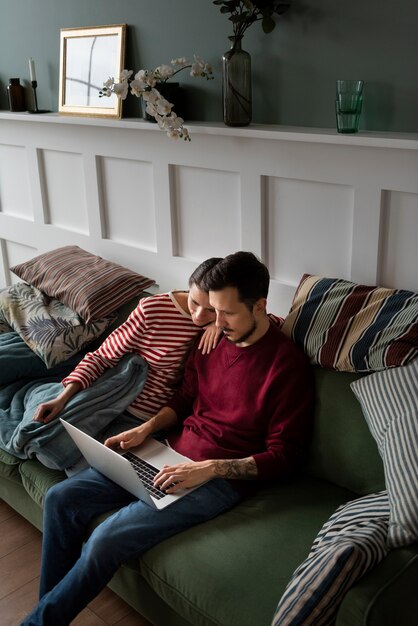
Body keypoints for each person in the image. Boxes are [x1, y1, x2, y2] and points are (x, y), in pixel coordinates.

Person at [21, 251, 315, 626]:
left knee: (105, 540)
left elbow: (286, 455)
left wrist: (209, 469)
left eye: (227, 313)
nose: (215, 322)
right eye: (212, 310)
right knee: (61, 498)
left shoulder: (287, 367)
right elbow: (185, 397)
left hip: (218, 481)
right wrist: (145, 430)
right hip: (166, 452)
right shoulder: (210, 340)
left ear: (260, 306)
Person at [33, 257, 222, 425]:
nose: (198, 315)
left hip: (156, 420)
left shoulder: (225, 323)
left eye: (211, 309)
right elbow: (103, 356)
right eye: (194, 302)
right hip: (114, 400)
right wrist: (62, 398)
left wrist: (220, 324)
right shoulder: (153, 309)